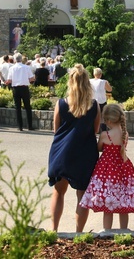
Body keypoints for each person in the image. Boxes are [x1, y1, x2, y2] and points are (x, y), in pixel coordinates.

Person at [47, 64, 100, 232]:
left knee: (58, 192)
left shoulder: (61, 104)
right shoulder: (94, 105)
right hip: (85, 153)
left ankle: (54, 230)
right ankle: (78, 233)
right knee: (82, 196)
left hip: (62, 152)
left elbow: (56, 130)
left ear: (70, 82)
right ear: (87, 83)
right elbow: (95, 130)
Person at [79, 103, 134, 230]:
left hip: (107, 170)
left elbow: (99, 148)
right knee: (123, 203)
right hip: (123, 167)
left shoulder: (106, 135)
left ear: (109, 120)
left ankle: (107, 231)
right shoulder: (125, 134)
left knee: (108, 203)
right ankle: (124, 230)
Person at [6, 53, 35, 131]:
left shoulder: (12, 68)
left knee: (17, 107)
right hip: (24, 88)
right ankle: (30, 126)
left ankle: (20, 126)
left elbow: (9, 80)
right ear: (21, 59)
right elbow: (32, 78)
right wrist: (26, 79)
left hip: (16, 88)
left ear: (15, 60)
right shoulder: (26, 67)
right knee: (27, 107)